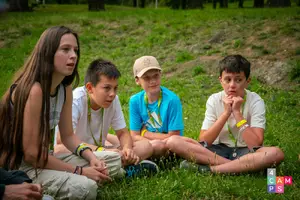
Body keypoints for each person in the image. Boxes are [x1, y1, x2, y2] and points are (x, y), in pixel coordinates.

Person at [0, 26, 123, 199]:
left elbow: (68, 136)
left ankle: (83, 175)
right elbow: (31, 154)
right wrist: (81, 171)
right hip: (23, 167)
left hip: (47, 159)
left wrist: (90, 157)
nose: (73, 55)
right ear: (48, 53)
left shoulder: (64, 89)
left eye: (75, 50)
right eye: (65, 49)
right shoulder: (34, 90)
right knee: (87, 188)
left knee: (113, 160)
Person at [166, 55, 284, 174]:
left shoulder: (256, 101)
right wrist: (226, 113)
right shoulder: (214, 99)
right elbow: (204, 141)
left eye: (238, 80)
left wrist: (237, 113)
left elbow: (255, 144)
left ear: (247, 81)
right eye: (228, 79)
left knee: (275, 153)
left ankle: (210, 170)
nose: (232, 85)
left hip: (246, 151)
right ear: (220, 80)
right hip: (217, 151)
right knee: (173, 141)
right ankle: (241, 167)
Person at [54, 58, 158, 177]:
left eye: (115, 88)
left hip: (102, 152)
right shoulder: (75, 100)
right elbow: (61, 143)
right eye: (107, 88)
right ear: (89, 88)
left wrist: (127, 149)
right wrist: (103, 151)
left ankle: (118, 168)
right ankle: (123, 171)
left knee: (146, 146)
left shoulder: (114, 100)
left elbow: (123, 133)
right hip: (77, 153)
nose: (112, 94)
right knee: (112, 157)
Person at [129, 55, 184, 158]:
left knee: (159, 146)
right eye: (146, 78)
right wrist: (150, 142)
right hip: (149, 145)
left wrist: (145, 133)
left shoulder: (172, 100)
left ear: (160, 74)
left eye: (156, 76)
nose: (153, 81)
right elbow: (134, 135)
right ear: (137, 80)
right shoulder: (135, 101)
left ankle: (141, 161)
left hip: (170, 149)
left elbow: (174, 138)